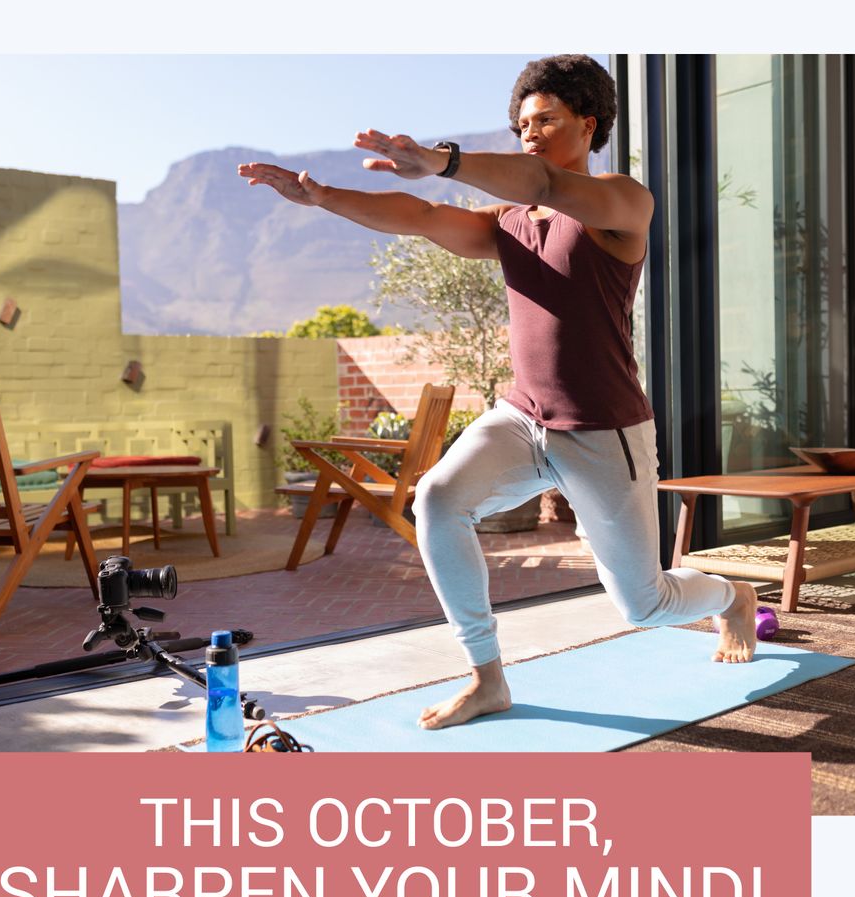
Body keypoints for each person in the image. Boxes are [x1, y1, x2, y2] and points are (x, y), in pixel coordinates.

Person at [239, 54, 757, 730]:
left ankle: (732, 596)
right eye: (520, 125)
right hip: (523, 418)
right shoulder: (510, 224)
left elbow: (544, 178)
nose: (529, 135)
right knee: (439, 499)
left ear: (587, 123)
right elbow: (420, 216)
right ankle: (487, 678)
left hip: (603, 430)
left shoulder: (624, 204)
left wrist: (442, 158)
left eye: (544, 120)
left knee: (644, 605)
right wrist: (324, 198)